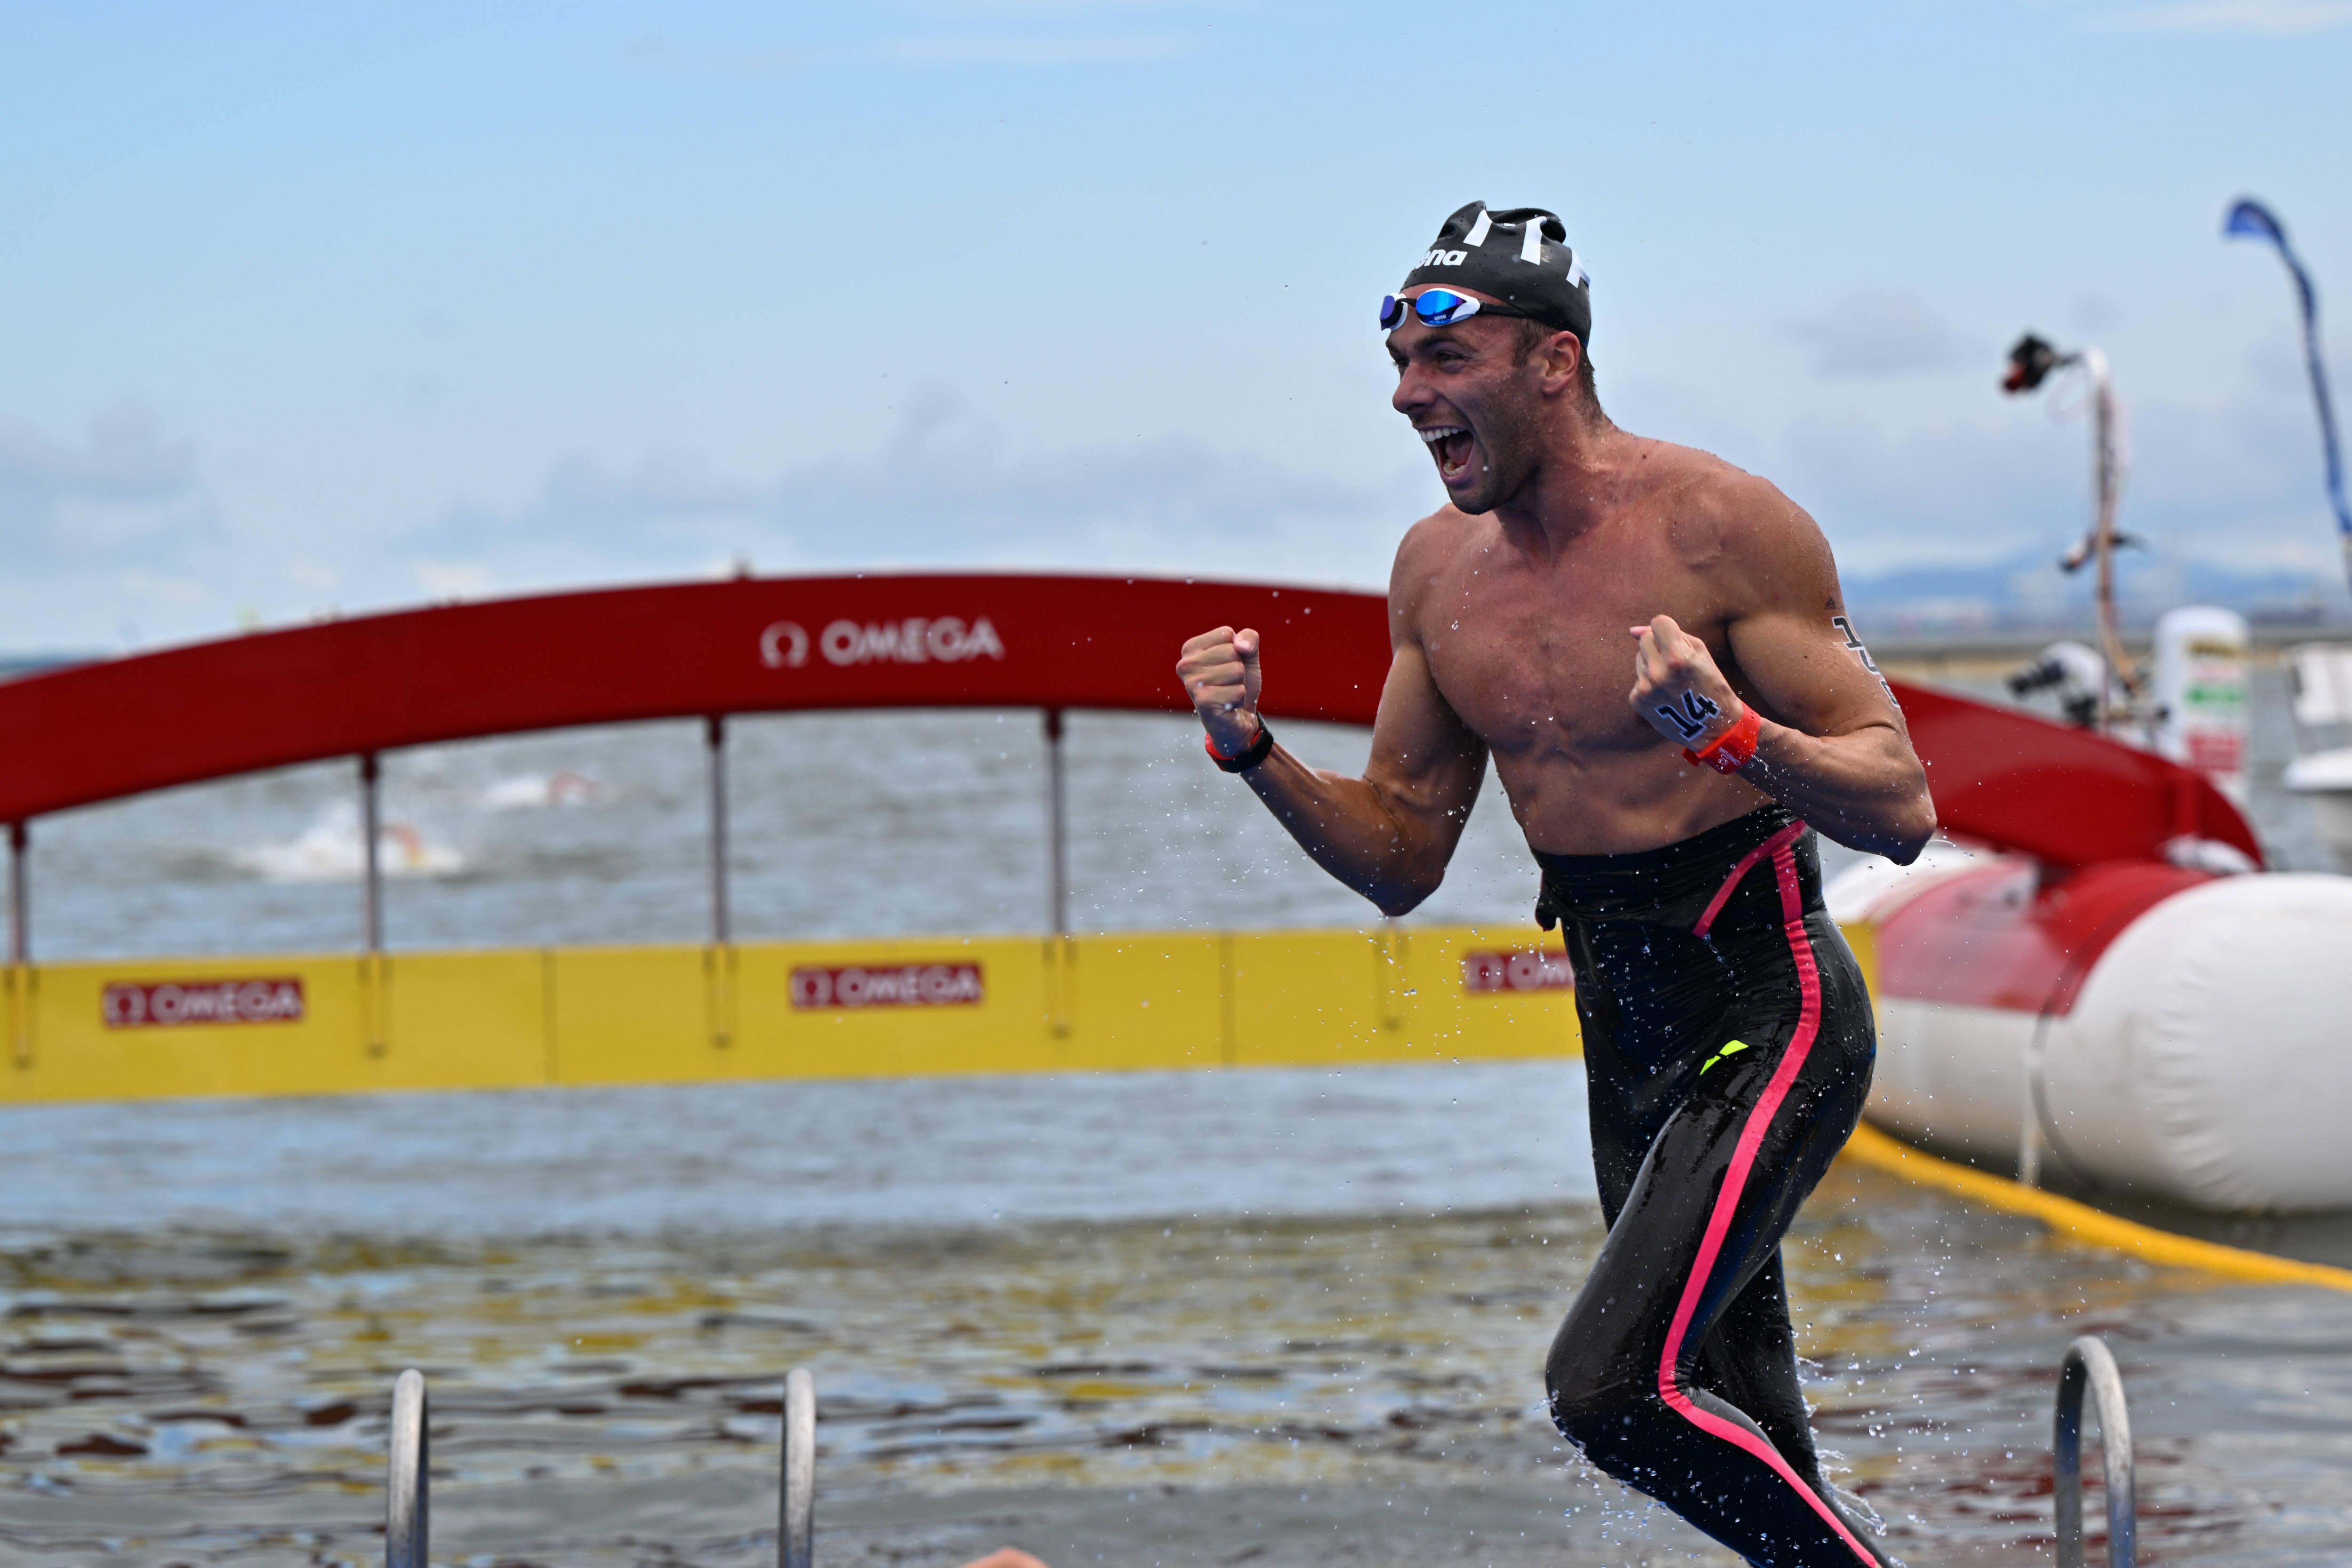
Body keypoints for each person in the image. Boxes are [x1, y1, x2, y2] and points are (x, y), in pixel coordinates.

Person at [1174, 202, 1934, 1568]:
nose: (1409, 394)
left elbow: (1903, 807)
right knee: (1740, 1431)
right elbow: (1403, 854)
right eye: (1397, 363)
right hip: (1627, 1043)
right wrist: (1254, 755)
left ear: (1555, 363)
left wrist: (1736, 739)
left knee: (1611, 1391)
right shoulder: (1433, 572)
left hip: (1774, 1015)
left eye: (1444, 360)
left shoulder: (1723, 529)